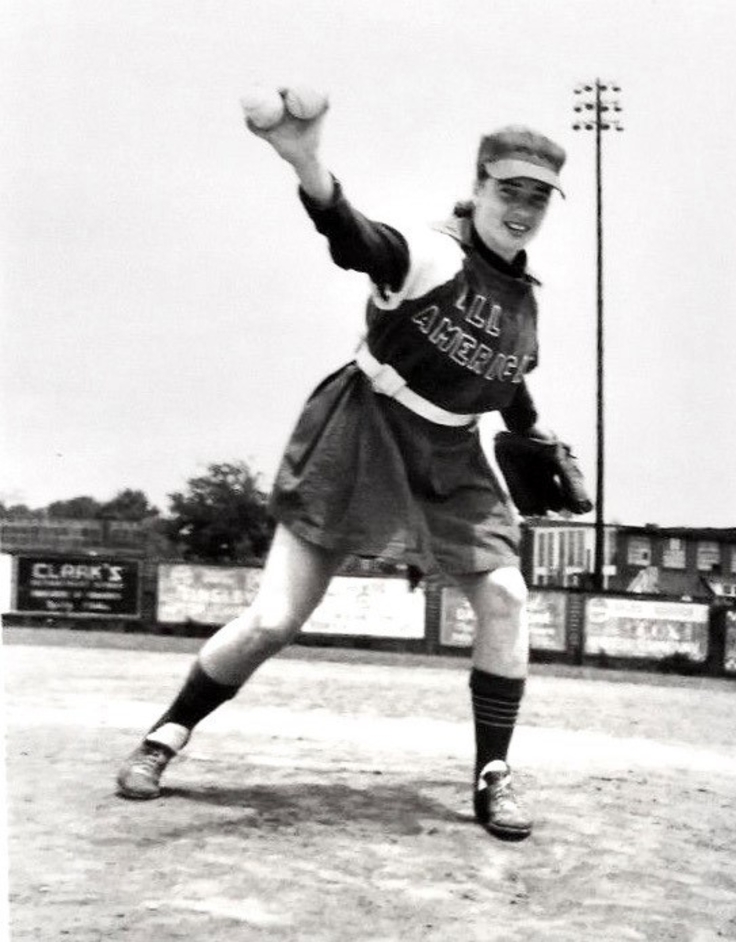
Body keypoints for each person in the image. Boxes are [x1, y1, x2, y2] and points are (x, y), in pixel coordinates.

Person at [116, 91, 568, 842]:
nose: (521, 208)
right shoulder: (433, 255)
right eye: (507, 190)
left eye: (536, 197)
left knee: (507, 598)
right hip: (361, 436)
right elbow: (357, 238)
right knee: (274, 619)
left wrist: (531, 428)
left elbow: (508, 375)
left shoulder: (523, 295)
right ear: (480, 185)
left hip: (451, 459)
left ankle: (494, 774)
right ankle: (165, 736)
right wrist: (305, 161)